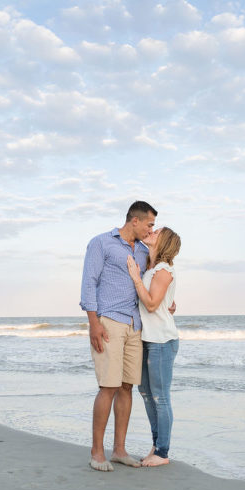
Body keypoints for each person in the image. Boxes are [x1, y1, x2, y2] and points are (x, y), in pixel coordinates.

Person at [79, 201, 157, 472]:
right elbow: (89, 282)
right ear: (134, 221)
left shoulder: (144, 252)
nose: (151, 230)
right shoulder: (101, 243)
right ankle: (96, 453)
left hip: (135, 324)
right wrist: (93, 323)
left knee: (126, 387)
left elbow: (149, 284)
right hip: (109, 321)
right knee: (108, 387)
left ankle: (119, 450)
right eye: (149, 224)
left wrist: (166, 302)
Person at [126, 226, 181, 467]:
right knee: (146, 393)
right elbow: (161, 302)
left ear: (164, 241)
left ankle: (163, 452)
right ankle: (156, 445)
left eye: (156, 231)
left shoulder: (163, 270)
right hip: (148, 339)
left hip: (162, 340)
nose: (151, 231)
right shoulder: (151, 267)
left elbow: (149, 304)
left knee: (160, 397)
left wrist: (136, 278)